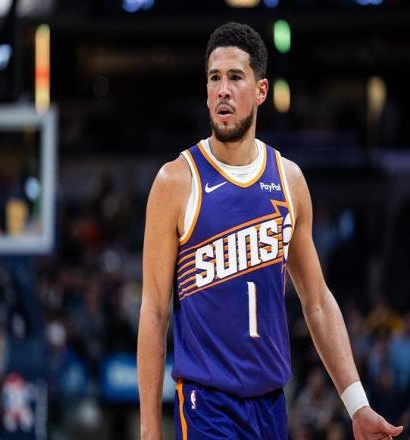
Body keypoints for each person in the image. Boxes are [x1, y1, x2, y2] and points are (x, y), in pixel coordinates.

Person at [137, 22, 405, 439]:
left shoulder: (288, 179)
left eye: (235, 77)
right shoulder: (176, 181)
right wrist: (150, 430)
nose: (222, 90)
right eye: (214, 78)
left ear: (261, 90)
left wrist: (358, 405)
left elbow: (317, 301)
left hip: (271, 405)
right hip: (207, 405)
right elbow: (154, 312)